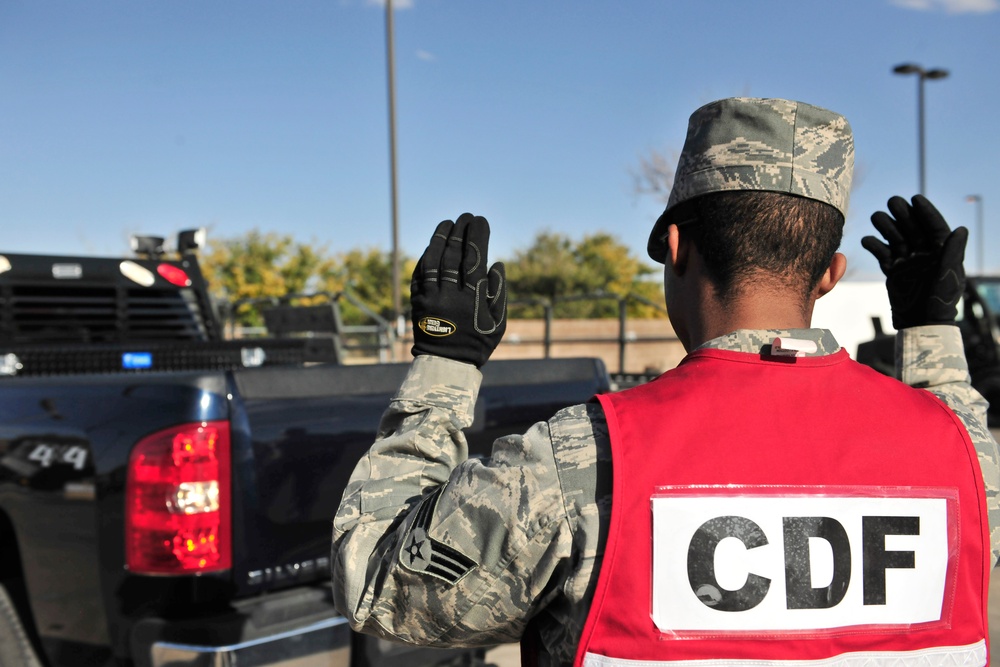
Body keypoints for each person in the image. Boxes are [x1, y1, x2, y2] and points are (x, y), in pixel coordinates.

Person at [332, 97, 1000, 666]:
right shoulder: (962, 454)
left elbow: (374, 576)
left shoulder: (584, 459)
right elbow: (966, 460)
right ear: (830, 273)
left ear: (676, 249)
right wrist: (932, 332)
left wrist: (446, 362)